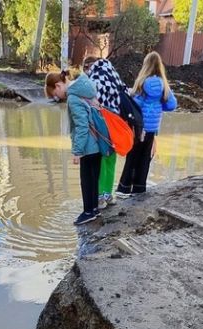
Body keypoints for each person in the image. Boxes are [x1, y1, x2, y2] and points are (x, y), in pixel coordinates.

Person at [116, 51, 177, 197]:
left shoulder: (142, 84)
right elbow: (172, 105)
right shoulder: (163, 86)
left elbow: (135, 105)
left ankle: (124, 189)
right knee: (145, 159)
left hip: (138, 128)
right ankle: (139, 188)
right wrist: (158, 104)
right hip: (152, 130)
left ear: (146, 66)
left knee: (132, 157)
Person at [45, 71, 102, 226]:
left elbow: (82, 126)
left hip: (88, 146)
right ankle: (94, 209)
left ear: (58, 85)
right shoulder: (86, 89)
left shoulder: (73, 97)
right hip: (98, 143)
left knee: (86, 180)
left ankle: (88, 212)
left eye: (55, 94)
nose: (58, 97)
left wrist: (77, 151)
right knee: (93, 178)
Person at [83, 57, 128, 209]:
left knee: (102, 158)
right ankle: (108, 194)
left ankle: (100, 196)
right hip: (117, 123)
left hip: (103, 123)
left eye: (85, 69)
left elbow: (93, 104)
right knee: (110, 159)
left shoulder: (95, 77)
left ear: (88, 66)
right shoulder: (113, 74)